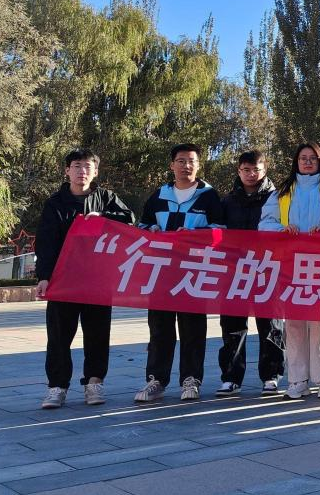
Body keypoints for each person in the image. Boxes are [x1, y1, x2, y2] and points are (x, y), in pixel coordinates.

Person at [37, 148, 136, 409]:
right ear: (67, 170)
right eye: (77, 166)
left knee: (97, 334)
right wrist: (44, 276)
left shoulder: (107, 198)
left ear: (95, 172)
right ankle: (57, 387)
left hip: (98, 279)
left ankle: (94, 383)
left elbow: (129, 220)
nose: (82, 171)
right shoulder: (55, 203)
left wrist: (102, 216)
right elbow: (46, 243)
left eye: (88, 167)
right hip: (64, 280)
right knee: (59, 336)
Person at [135, 143, 226, 404]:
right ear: (172, 165)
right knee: (159, 328)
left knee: (192, 328)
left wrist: (195, 235)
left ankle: (191, 379)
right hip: (161, 271)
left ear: (199, 165)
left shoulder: (209, 196)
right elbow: (142, 225)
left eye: (191, 161)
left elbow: (220, 230)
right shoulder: (159, 195)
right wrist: (151, 229)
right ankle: (156, 380)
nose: (186, 166)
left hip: (193, 271)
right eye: (181, 161)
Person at [259, 142, 320, 400]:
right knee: (294, 322)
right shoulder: (283, 191)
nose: (307, 162)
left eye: (312, 158)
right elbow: (265, 223)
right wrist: (282, 230)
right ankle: (297, 380)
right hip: (291, 263)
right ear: (296, 162)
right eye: (303, 158)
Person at [217, 150, 283, 398]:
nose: (251, 174)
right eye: (246, 169)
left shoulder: (277, 199)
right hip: (235, 271)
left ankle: (271, 376)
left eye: (256, 169)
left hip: (267, 269)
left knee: (271, 325)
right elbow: (217, 232)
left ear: (265, 170)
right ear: (239, 171)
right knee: (232, 326)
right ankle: (231, 377)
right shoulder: (227, 201)